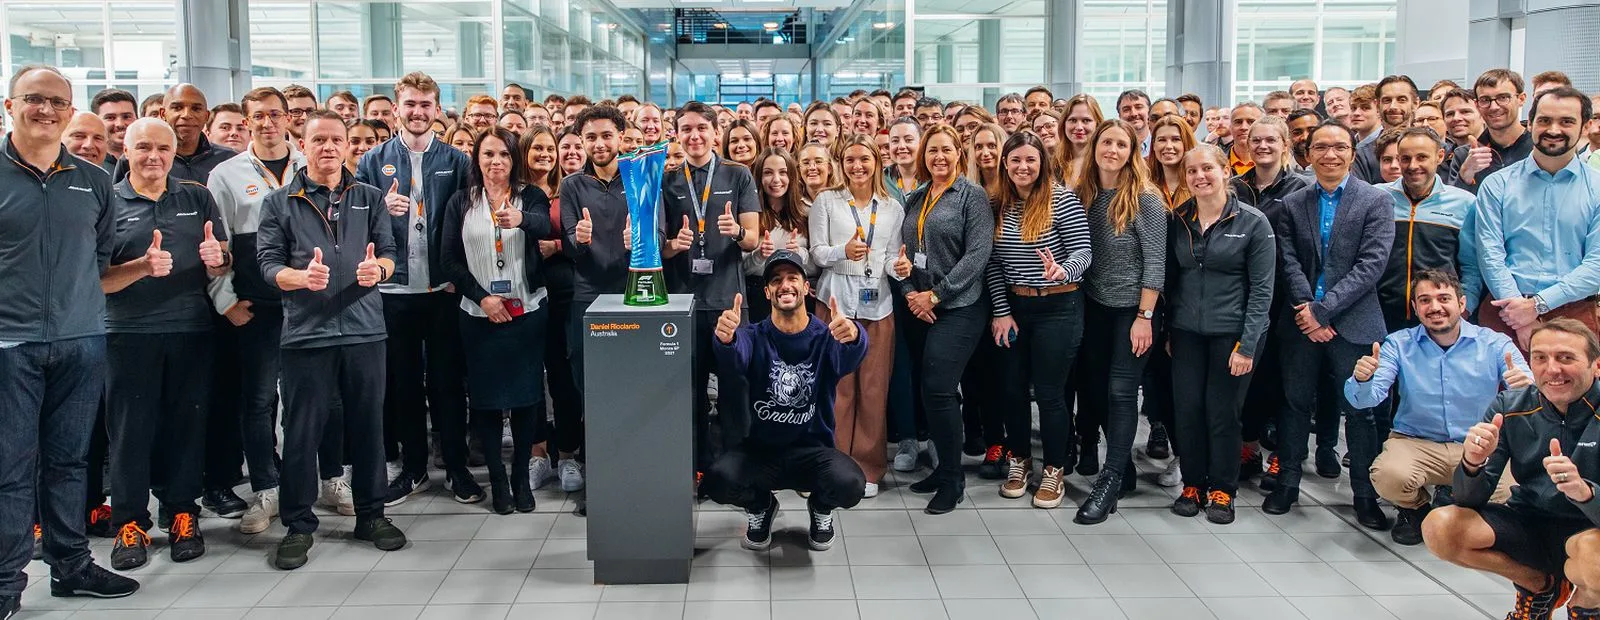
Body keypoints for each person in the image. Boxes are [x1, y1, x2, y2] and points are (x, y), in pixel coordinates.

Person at [1, 66, 142, 615]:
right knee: (10, 469)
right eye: (34, 99)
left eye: (58, 101)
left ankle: (71, 566)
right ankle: (6, 584)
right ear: (10, 106)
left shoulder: (93, 180)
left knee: (69, 463)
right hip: (10, 346)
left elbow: (99, 266)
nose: (47, 110)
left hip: (82, 341)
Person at [256, 110, 407, 570]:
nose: (327, 147)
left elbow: (389, 254)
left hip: (364, 330)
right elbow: (266, 266)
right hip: (307, 334)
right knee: (302, 432)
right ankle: (298, 525)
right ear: (302, 144)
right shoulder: (280, 202)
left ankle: (371, 515)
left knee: (368, 427)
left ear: (348, 147)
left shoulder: (370, 197)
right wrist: (298, 278)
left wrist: (377, 269)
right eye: (317, 139)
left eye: (336, 140)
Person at [100, 117, 230, 570]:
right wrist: (140, 266)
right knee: (131, 432)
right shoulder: (109, 203)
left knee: (187, 427)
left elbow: (222, 259)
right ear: (125, 151)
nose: (153, 156)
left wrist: (220, 259)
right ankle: (130, 523)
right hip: (127, 335)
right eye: (143, 148)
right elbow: (97, 281)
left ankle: (181, 512)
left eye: (162, 148)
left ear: (175, 153)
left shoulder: (196, 195)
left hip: (192, 331)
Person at [1422, 319, 1600, 620]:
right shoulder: (1510, 406)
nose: (1552, 369)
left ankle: (1587, 606)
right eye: (1540, 358)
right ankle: (1540, 587)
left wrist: (1585, 493)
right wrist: (1472, 463)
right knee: (1440, 526)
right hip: (1529, 521)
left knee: (1596, 560)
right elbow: (1468, 500)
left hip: (1589, 529)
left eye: (1566, 358)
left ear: (1596, 366)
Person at [355, 73, 477, 506]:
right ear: (396, 109)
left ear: (438, 110)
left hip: (443, 288)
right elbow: (355, 222)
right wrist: (380, 209)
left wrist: (459, 277)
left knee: (448, 382)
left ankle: (458, 469)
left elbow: (470, 219)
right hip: (394, 292)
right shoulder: (372, 160)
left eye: (426, 104)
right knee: (403, 384)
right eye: (410, 104)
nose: (418, 112)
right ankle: (413, 469)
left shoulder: (459, 160)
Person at [1269, 120, 1394, 530]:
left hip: (1354, 321)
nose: (1330, 154)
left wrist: (1325, 311)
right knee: (1293, 402)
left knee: (1360, 411)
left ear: (1352, 153)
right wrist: (1309, 309)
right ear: (1308, 155)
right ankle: (1286, 481)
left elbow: (1372, 265)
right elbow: (1287, 261)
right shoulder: (1293, 203)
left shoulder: (1375, 201)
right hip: (1301, 323)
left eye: (1339, 146)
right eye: (1321, 147)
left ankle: (1363, 494)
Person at [1346, 269, 1525, 546]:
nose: (1435, 307)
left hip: (1477, 444)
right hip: (1416, 441)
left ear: (1461, 304)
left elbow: (1532, 391)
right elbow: (1367, 398)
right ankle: (1415, 510)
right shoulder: (1398, 344)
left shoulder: (1495, 343)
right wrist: (1361, 380)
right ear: (1415, 308)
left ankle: (1452, 495)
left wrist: (1524, 387)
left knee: (1508, 494)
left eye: (1444, 298)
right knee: (1388, 476)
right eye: (1425, 300)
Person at [704, 251, 867, 552]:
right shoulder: (754, 335)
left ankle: (821, 508)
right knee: (717, 480)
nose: (785, 285)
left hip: (813, 453)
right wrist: (725, 339)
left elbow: (850, 355)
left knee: (851, 484)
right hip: (762, 453)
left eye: (793, 278)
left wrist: (855, 334)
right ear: (767, 292)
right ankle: (761, 506)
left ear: (806, 287)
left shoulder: (824, 335)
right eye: (776, 280)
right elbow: (735, 357)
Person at [440, 127, 552, 514]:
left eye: (503, 154)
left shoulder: (531, 196)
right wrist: (483, 298)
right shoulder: (461, 202)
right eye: (488, 154)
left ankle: (521, 477)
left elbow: (544, 225)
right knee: (486, 402)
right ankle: (498, 479)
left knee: (525, 399)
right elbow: (448, 260)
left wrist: (520, 219)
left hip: (527, 310)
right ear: (477, 159)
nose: (496, 162)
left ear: (513, 159)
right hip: (478, 313)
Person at [1164, 143, 1276, 525]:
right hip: (1185, 333)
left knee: (1223, 413)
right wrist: (1167, 329)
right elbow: (1171, 280)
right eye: (1192, 171)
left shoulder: (1253, 222)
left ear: (1225, 171)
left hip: (1232, 335)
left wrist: (1247, 345)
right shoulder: (1178, 220)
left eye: (1208, 168)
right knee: (1188, 410)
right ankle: (1192, 483)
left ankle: (1223, 489)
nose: (1200, 176)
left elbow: (1262, 290)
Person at [984, 131, 1091, 508]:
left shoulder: (1061, 199)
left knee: (1049, 394)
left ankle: (1054, 469)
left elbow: (1083, 250)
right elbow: (994, 265)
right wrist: (1001, 311)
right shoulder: (998, 203)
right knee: (1011, 391)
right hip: (1015, 308)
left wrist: (1063, 271)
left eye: (1030, 160)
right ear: (1005, 164)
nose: (1022, 167)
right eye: (1015, 160)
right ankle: (1019, 460)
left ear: (1042, 163)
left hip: (1059, 308)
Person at [892, 123, 994, 515]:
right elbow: (904, 252)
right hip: (920, 304)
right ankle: (945, 470)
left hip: (960, 306)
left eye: (946, 150)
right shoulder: (918, 195)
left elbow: (976, 257)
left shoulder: (972, 196)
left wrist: (936, 294)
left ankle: (953, 479)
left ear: (958, 153)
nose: (939, 157)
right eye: (932, 150)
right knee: (933, 391)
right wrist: (910, 292)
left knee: (938, 386)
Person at [1071, 118, 1167, 525]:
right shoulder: (1085, 193)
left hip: (1135, 310)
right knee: (1094, 390)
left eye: (1121, 144)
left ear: (1133, 152)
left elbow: (1156, 264)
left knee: (1121, 391)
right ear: (1094, 147)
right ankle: (1122, 465)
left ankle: (1109, 482)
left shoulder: (1146, 198)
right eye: (1106, 142)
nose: (1112, 150)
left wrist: (1144, 317)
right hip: (1094, 306)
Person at [661, 101, 762, 476]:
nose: (694, 135)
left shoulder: (738, 176)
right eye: (686, 129)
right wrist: (675, 244)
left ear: (715, 132)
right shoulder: (668, 180)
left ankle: (737, 469)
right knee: (690, 392)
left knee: (736, 390)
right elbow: (659, 247)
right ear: (677, 134)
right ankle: (697, 467)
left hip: (728, 303)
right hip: (682, 302)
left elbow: (751, 239)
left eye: (701, 128)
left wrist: (736, 231)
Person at [809, 135, 904, 498]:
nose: (857, 166)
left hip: (877, 306)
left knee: (873, 388)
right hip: (835, 304)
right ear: (841, 163)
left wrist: (901, 266)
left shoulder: (892, 207)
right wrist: (842, 250)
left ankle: (867, 467)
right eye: (850, 160)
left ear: (876, 162)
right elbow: (818, 254)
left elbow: (893, 259)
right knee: (836, 388)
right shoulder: (827, 201)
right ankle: (832, 463)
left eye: (864, 159)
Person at [1475, 86, 1600, 346]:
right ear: (1530, 122)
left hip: (1575, 315)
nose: (1553, 129)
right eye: (1544, 120)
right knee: (1504, 388)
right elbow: (1490, 255)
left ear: (1585, 126)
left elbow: (1596, 265)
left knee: (1571, 387)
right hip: (1504, 312)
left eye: (1566, 121)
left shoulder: (1598, 188)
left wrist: (1537, 307)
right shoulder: (1497, 185)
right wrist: (1519, 314)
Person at [1231, 115, 1310, 483]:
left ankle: (1282, 453)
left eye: (1270, 140)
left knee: (1284, 377)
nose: (1262, 146)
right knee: (1251, 377)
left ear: (1284, 145)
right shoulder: (1234, 188)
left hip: (1286, 296)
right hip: (1242, 295)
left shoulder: (1301, 189)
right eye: (1256, 140)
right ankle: (1247, 448)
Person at [558, 105, 630, 491]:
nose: (599, 144)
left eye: (606, 135)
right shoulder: (572, 186)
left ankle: (630, 468)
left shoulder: (638, 179)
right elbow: (571, 247)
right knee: (591, 388)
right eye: (590, 137)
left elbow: (660, 234)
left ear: (621, 137)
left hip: (632, 294)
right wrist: (579, 240)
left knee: (630, 384)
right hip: (587, 298)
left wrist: (643, 241)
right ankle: (598, 476)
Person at [1376, 127, 1482, 332]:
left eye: (1422, 157)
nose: (1413, 165)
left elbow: (1472, 266)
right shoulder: (1377, 198)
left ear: (1439, 156)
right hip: (1382, 317)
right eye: (1405, 158)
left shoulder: (1464, 202)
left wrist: (1466, 308)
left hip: (1439, 317)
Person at [747, 147, 811, 322]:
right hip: (758, 294)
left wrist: (800, 254)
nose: (776, 180)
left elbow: (817, 265)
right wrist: (759, 255)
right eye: (768, 173)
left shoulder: (806, 212)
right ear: (759, 177)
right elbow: (741, 268)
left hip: (795, 295)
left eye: (783, 172)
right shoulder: (749, 213)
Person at [1452, 69, 1535, 193]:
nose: (1494, 107)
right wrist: (1465, 176)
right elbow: (1456, 209)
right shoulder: (1464, 155)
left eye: (1503, 98)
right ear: (1476, 104)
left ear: (1521, 99)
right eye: (1485, 100)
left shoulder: (1538, 149)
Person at [1055, 94, 1102, 186]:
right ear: (1064, 124)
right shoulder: (1054, 164)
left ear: (1098, 124)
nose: (1079, 127)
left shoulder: (1104, 163)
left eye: (1086, 120)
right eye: (1073, 120)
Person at [92, 88, 139, 168]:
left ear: (137, 119)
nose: (120, 124)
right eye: (110, 117)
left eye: (126, 117)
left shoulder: (151, 162)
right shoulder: (88, 165)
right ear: (96, 121)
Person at [1227, 102, 1263, 176]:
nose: (1244, 127)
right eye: (1238, 122)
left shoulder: (1274, 163)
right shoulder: (1217, 162)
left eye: (1251, 122)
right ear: (1230, 128)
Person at [1116, 89, 1152, 155]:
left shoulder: (1160, 144)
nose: (1133, 114)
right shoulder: (1114, 148)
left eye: (1138, 107)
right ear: (1119, 116)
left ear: (1149, 112)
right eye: (1126, 109)